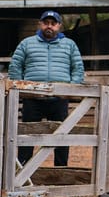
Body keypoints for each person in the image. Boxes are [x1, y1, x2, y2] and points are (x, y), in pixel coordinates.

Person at [8, 10, 85, 167]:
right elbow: (15, 66)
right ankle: (21, 174)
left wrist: (70, 89)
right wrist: (22, 89)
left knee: (61, 136)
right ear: (40, 24)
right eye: (46, 23)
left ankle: (61, 171)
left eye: (53, 23)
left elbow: (77, 68)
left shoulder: (69, 45)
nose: (49, 26)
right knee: (26, 136)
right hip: (32, 98)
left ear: (59, 26)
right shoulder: (27, 43)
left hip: (59, 98)